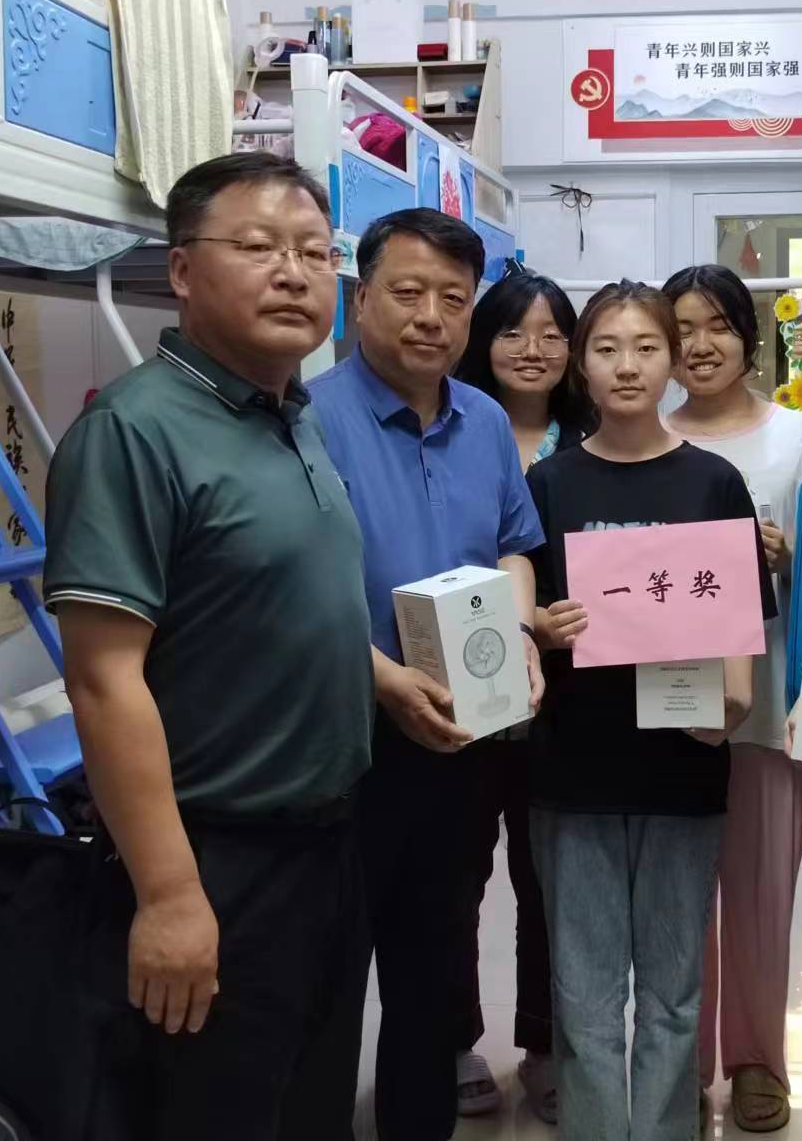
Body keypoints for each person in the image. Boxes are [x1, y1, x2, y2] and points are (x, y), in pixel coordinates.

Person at [42, 152, 372, 1139]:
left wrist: (386, 684)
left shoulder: (290, 416)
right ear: (183, 270)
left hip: (327, 847)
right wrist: (171, 894)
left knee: (311, 1107)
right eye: (259, 246)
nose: (294, 272)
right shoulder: (134, 431)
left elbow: (275, 610)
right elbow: (103, 680)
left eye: (314, 251)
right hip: (216, 858)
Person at [306, 208, 546, 1141]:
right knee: (330, 972)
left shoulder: (483, 420)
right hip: (343, 742)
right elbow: (290, 592)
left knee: (432, 965)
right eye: (408, 292)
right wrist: (383, 681)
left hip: (459, 740)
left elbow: (515, 544)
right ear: (360, 297)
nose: (432, 317)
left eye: (454, 298)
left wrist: (518, 633)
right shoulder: (306, 418)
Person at [525, 281, 777, 1141]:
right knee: (584, 994)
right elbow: (524, 608)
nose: (626, 366)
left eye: (645, 347)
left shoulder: (713, 482)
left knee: (673, 993)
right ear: (581, 365)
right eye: (606, 348)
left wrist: (735, 701)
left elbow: (741, 620)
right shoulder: (548, 483)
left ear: (672, 360)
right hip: (573, 770)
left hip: (683, 766)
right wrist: (543, 626)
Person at [661, 265, 802, 1134]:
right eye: (681, 328)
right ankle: (681, 1062)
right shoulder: (645, 433)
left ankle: (759, 1058)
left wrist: (787, 553)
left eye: (717, 325)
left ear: (748, 337)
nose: (700, 344)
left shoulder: (800, 437)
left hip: (765, 702)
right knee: (678, 897)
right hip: (668, 703)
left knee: (763, 894)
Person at [448, 264, 589, 1123]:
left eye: (551, 335)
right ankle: (457, 1038)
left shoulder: (596, 435)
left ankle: (542, 1043)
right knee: (457, 872)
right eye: (511, 332)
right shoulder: (453, 428)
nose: (532, 350)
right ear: (482, 340)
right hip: (459, 692)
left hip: (569, 701)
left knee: (547, 880)